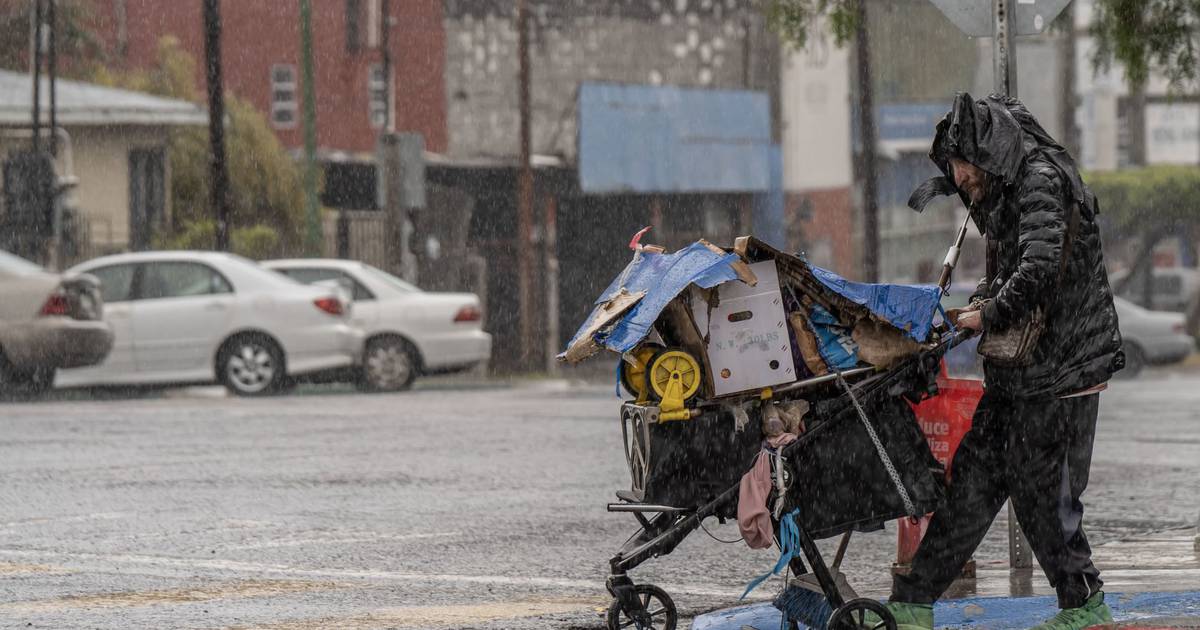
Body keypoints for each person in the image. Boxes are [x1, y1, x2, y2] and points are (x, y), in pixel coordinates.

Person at [882, 93, 1125, 630]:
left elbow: (1038, 269)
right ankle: (913, 599)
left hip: (1059, 375)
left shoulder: (1039, 179)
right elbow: (1019, 267)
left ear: (987, 154)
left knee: (1041, 496)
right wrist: (983, 302)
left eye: (962, 166)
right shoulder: (1006, 189)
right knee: (971, 485)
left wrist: (986, 313)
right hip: (1019, 374)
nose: (959, 177)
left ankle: (1085, 606)